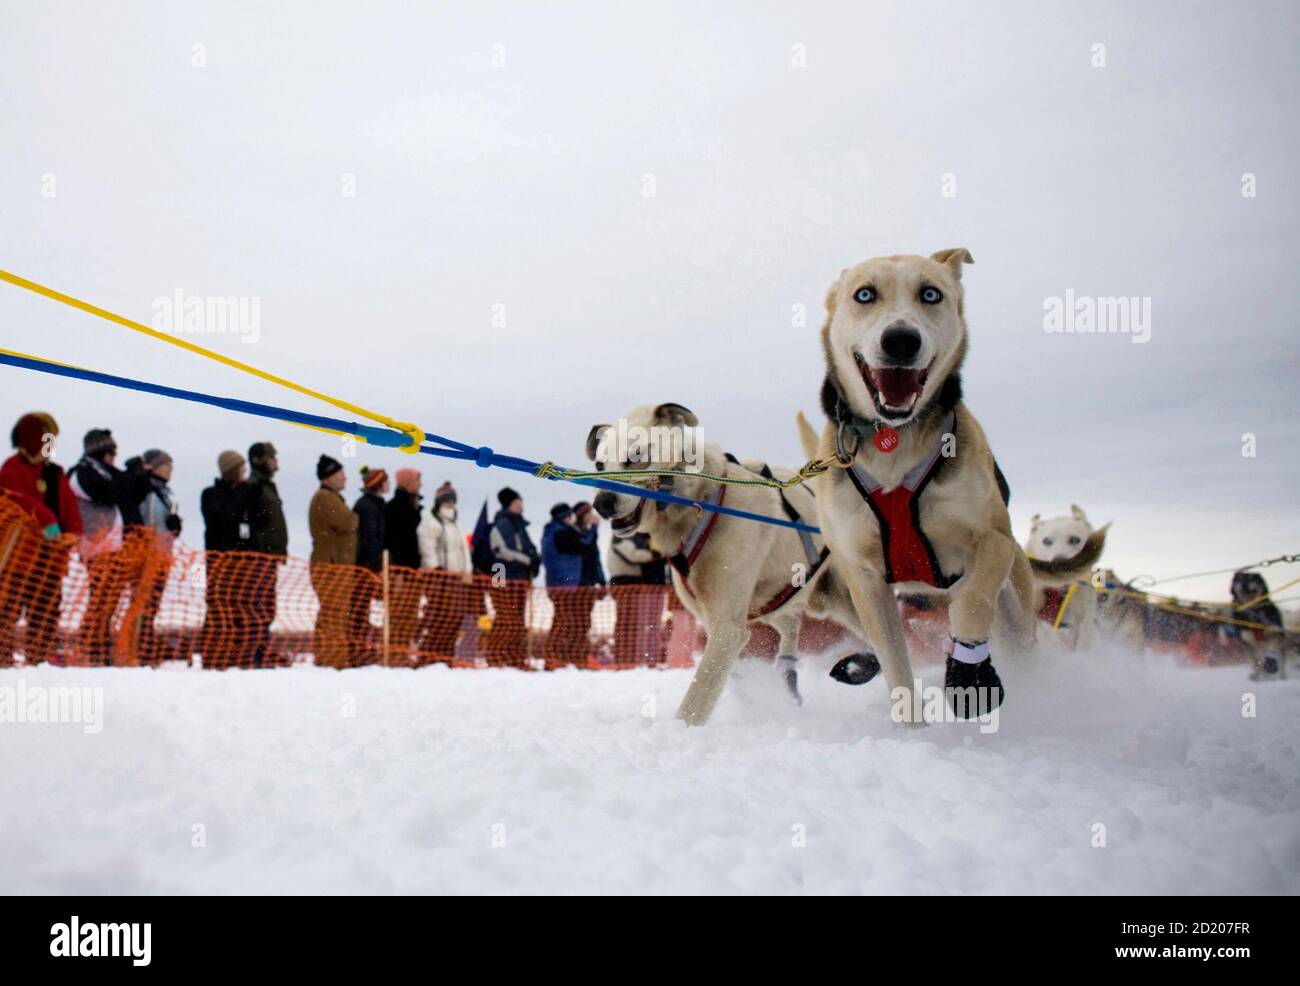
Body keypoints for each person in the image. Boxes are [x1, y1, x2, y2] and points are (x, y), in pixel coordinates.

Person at [0, 412, 82, 666]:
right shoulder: (12, 468)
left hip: (50, 561)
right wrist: (46, 519)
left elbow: (70, 508)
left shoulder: (55, 474)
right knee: (6, 613)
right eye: (47, 438)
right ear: (32, 439)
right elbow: (14, 500)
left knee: (45, 616)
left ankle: (40, 664)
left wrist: (73, 534)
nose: (51, 445)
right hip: (17, 559)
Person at [70, 428, 146, 665]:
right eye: (111, 452)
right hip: (98, 548)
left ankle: (100, 651)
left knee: (109, 603)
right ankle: (92, 651)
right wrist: (129, 475)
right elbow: (108, 494)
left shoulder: (106, 473)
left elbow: (131, 494)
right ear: (101, 452)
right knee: (101, 603)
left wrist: (137, 476)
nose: (115, 457)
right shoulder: (81, 473)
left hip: (116, 549)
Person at [199, 450, 250, 670]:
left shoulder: (246, 493)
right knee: (219, 611)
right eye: (241, 468)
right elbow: (221, 520)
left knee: (240, 610)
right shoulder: (210, 494)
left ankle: (237, 658)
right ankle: (213, 658)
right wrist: (238, 499)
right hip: (219, 563)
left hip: (243, 563)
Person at [130, 449, 182, 665]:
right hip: (147, 556)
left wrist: (175, 528)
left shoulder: (165, 493)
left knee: (152, 605)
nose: (170, 469)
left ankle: (144, 646)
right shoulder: (150, 491)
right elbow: (148, 522)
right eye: (166, 464)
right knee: (143, 603)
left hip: (162, 555)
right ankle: (137, 648)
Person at [416, 480, 475, 664]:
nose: (450, 505)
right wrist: (435, 568)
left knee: (454, 619)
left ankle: (446, 656)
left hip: (457, 579)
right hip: (440, 578)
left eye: (452, 501)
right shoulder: (431, 521)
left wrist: (467, 571)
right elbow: (428, 546)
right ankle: (429, 656)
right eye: (447, 501)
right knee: (439, 619)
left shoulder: (456, 524)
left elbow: (463, 549)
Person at [309, 455, 359, 669]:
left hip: (336, 564)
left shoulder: (330, 498)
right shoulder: (325, 498)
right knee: (334, 616)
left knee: (334, 615)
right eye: (340, 474)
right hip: (331, 566)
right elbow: (347, 521)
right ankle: (332, 661)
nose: (345, 478)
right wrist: (356, 517)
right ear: (329, 477)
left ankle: (331, 659)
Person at [243, 441, 288, 667]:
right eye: (272, 457)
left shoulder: (268, 486)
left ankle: (261, 652)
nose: (276, 462)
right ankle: (254, 655)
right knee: (259, 608)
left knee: (266, 608)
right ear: (261, 460)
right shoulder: (254, 486)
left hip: (270, 557)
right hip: (260, 558)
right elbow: (253, 522)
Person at [486, 487, 538, 667]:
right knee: (506, 617)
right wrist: (527, 560)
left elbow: (527, 549)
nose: (521, 504)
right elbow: (502, 551)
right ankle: (495, 657)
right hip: (501, 574)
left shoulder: (519, 525)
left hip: (519, 577)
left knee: (517, 620)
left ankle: (514, 657)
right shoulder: (502, 524)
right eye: (518, 501)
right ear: (510, 503)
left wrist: (533, 559)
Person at [607, 531, 669, 666]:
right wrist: (654, 555)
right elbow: (633, 556)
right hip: (627, 583)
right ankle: (628, 657)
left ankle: (632, 657)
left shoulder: (632, 540)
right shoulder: (622, 540)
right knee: (629, 622)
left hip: (634, 583)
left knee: (633, 622)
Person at [541, 503, 588, 668]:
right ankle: (553, 656)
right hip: (562, 583)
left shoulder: (552, 531)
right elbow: (582, 545)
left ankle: (557, 656)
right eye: (568, 516)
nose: (571, 519)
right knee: (562, 621)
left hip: (561, 583)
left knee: (563, 620)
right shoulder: (560, 532)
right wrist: (593, 529)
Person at [383, 468, 423, 663]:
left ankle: (403, 653)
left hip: (413, 572)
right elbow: (394, 543)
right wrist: (397, 572)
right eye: (417, 481)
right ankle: (394, 655)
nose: (420, 485)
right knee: (398, 617)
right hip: (400, 572)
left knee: (409, 618)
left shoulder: (412, 507)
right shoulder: (395, 508)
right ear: (407, 482)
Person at [350, 465, 389, 662]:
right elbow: (369, 540)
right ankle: (358, 652)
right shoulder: (367, 507)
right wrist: (376, 566)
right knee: (359, 612)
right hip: (366, 568)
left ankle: (363, 651)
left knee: (362, 612)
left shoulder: (374, 505)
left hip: (370, 566)